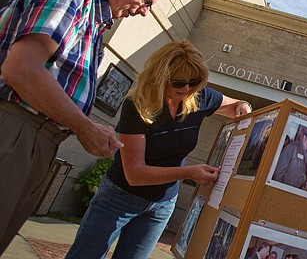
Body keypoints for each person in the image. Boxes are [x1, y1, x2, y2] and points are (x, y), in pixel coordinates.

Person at [0, 0, 166, 254]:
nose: (144, 12)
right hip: (15, 129)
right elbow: (21, 69)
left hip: (38, 139)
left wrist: (83, 126)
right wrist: (83, 126)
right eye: (147, 1)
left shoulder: (95, 24)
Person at [66, 40, 252, 258]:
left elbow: (235, 105)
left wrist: (243, 107)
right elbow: (135, 174)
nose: (187, 89)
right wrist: (189, 173)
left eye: (194, 82)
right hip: (119, 197)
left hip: (162, 206)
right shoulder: (136, 106)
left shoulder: (199, 97)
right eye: (178, 83)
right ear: (160, 78)